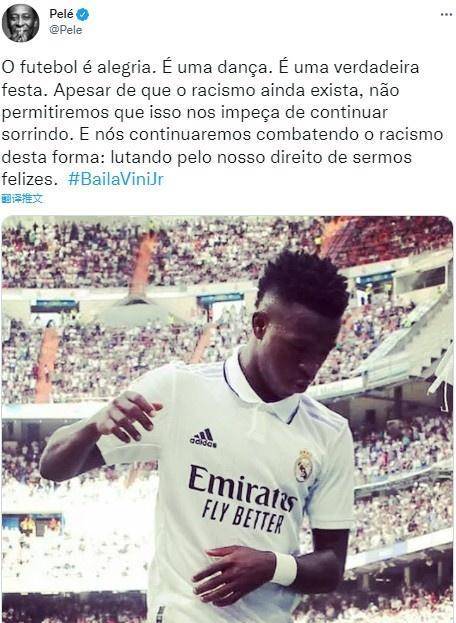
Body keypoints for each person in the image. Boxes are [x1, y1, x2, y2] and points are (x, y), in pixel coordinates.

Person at [40, 250, 355, 623]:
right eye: (298, 348)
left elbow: (331, 566)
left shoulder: (330, 433)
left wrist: (273, 566)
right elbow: (52, 467)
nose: (311, 366)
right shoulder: (179, 390)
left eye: (323, 352)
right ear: (259, 325)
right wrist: (93, 426)